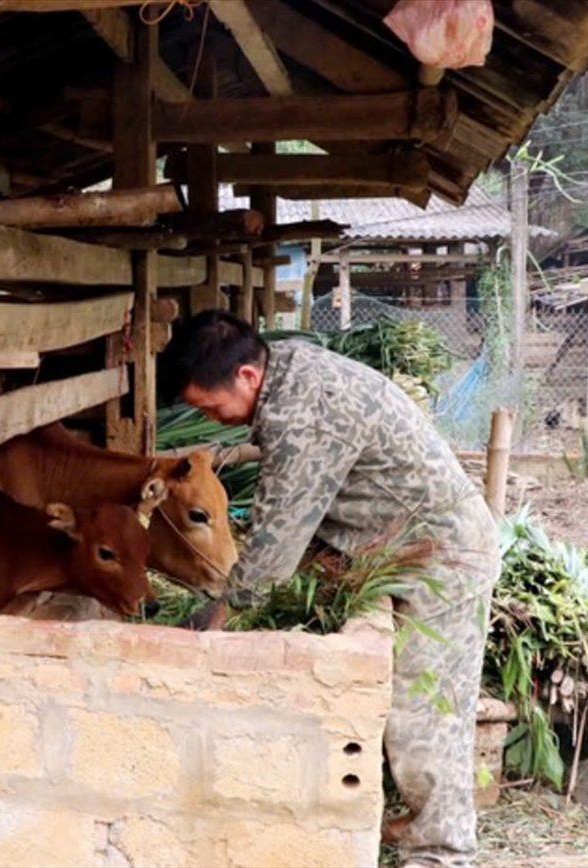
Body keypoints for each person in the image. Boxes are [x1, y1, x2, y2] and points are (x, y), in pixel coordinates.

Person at [161, 310, 500, 868]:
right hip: (398, 544)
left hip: (440, 559)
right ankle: (413, 825)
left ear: (246, 376)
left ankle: (442, 853)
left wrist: (218, 619)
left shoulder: (303, 414)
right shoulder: (287, 370)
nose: (213, 420)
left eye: (209, 406)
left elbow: (275, 544)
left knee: (426, 714)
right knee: (412, 707)